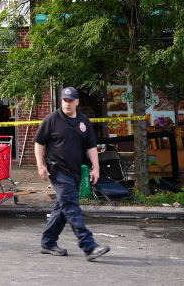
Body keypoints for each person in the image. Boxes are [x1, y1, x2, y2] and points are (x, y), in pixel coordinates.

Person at [34, 87, 110, 261]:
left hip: (75, 172)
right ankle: (89, 246)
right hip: (58, 171)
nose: (67, 104)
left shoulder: (84, 121)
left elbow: (91, 146)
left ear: (77, 102)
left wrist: (96, 168)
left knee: (62, 209)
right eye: (64, 100)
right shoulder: (52, 119)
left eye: (70, 101)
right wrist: (40, 165)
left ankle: (48, 242)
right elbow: (39, 142)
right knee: (72, 208)